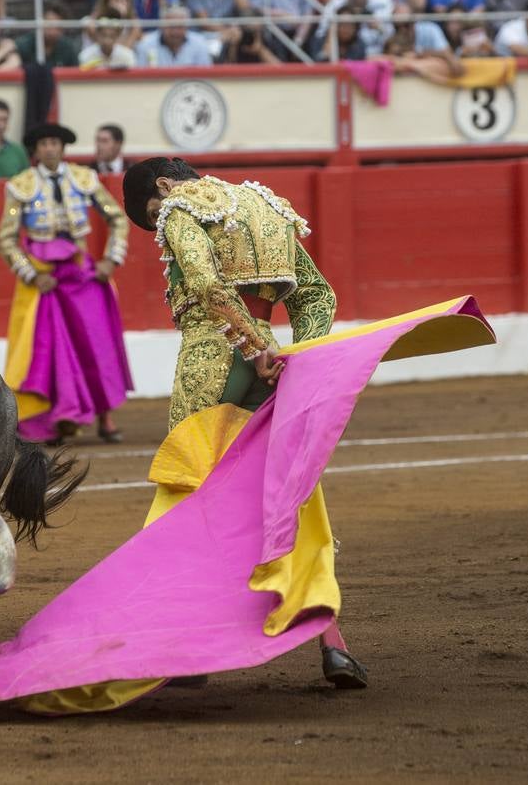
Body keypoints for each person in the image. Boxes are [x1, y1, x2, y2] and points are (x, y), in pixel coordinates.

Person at [118, 156, 368, 690]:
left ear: (164, 186)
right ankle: (333, 643)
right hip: (273, 359)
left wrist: (251, 351)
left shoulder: (181, 207)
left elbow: (207, 287)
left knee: (187, 492)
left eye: (153, 210)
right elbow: (318, 295)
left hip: (214, 354)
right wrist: (294, 357)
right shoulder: (269, 205)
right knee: (285, 491)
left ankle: (182, 645)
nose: (160, 219)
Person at [0, 122, 132, 445]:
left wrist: (111, 259)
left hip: (81, 274)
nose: (50, 148)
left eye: (54, 142)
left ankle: (105, 417)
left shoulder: (84, 179)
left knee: (93, 344)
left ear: (62, 146)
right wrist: (31, 274)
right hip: (44, 279)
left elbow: (117, 218)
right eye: (43, 143)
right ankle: (58, 418)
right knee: (49, 350)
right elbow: (6, 239)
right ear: (36, 150)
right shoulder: (20, 186)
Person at [136, 4, 215, 66]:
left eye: (180, 26)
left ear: (187, 26)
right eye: (171, 26)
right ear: (161, 26)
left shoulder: (200, 44)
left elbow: (206, 79)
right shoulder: (146, 45)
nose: (175, 32)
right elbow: (139, 80)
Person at [16, 4, 81, 67]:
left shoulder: (68, 47)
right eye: (49, 25)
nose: (52, 31)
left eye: (58, 27)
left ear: (63, 29)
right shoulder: (23, 45)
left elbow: (76, 73)